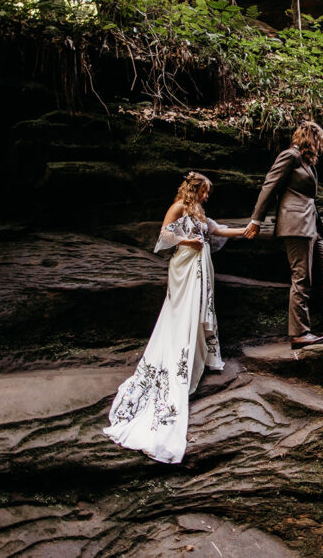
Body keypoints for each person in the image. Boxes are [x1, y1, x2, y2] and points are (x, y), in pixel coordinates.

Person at [104, 172, 248, 463]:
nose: (207, 196)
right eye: (205, 191)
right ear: (194, 189)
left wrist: (246, 230)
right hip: (184, 266)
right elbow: (165, 235)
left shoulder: (198, 210)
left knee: (197, 311)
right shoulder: (179, 206)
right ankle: (177, 355)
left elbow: (216, 230)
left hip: (200, 266)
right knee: (181, 312)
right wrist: (189, 242)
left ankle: (196, 352)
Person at [244, 121, 323, 350]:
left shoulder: (308, 163)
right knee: (301, 278)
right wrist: (256, 220)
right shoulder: (290, 156)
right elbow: (269, 186)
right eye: (319, 140)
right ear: (311, 137)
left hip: (313, 226)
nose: (320, 145)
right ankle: (299, 333)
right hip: (295, 224)